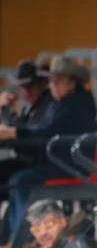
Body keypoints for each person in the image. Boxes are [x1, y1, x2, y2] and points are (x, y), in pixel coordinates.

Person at [0, 56, 97, 239]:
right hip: (59, 160)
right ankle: (10, 237)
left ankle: (25, 238)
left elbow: (48, 130)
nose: (53, 85)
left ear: (72, 82)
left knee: (21, 180)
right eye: (51, 80)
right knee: (9, 175)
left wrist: (13, 132)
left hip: (72, 164)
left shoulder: (77, 102)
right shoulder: (60, 103)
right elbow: (41, 130)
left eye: (58, 80)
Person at [0, 60, 53, 196]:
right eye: (22, 86)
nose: (26, 91)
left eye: (30, 85)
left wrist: (5, 109)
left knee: (18, 179)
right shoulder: (31, 107)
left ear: (43, 83)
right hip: (30, 161)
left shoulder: (49, 105)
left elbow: (23, 131)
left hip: (41, 164)